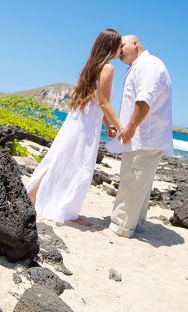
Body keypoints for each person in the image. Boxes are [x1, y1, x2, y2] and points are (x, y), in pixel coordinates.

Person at [26, 28, 124, 226]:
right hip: (86, 125)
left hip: (80, 119)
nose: (121, 51)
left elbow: (93, 101)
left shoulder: (91, 66)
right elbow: (104, 102)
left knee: (59, 159)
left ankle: (32, 197)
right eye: (119, 46)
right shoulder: (108, 68)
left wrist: (106, 124)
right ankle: (68, 211)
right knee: (79, 165)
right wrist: (122, 127)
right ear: (111, 46)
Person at [101, 34, 173, 238]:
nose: (119, 50)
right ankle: (135, 222)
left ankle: (120, 227)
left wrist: (131, 128)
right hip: (147, 135)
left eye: (121, 45)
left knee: (132, 178)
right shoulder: (141, 66)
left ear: (136, 44)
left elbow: (144, 100)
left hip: (144, 135)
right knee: (141, 181)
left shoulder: (148, 64)